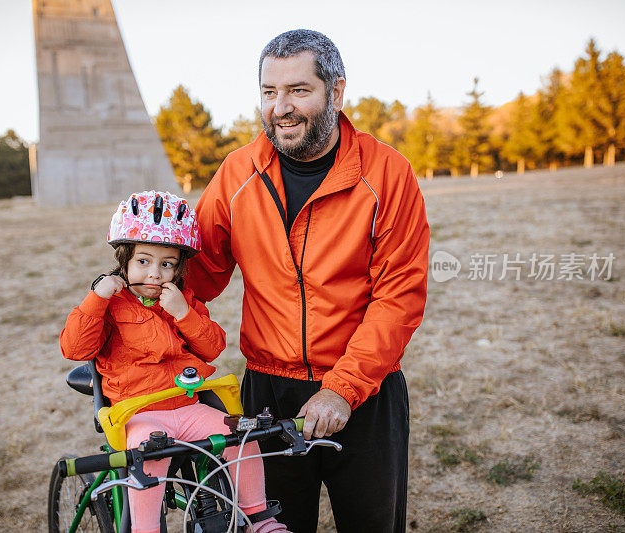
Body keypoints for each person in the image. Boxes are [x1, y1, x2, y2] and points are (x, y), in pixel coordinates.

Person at [186, 30, 430, 533]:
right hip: (267, 395)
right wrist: (139, 281)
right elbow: (196, 279)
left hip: (365, 393)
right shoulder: (236, 174)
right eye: (269, 92)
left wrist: (343, 389)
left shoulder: (386, 173)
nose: (281, 108)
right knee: (272, 527)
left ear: (336, 93)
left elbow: (398, 297)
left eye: (298, 90)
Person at [60, 191, 288, 533]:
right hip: (139, 411)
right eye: (143, 261)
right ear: (123, 261)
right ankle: (146, 529)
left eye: (167, 264)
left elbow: (211, 348)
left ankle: (260, 520)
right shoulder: (110, 304)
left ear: (179, 267)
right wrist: (97, 298)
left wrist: (183, 313)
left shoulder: (183, 300)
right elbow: (75, 347)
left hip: (187, 405)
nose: (155, 274)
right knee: (149, 454)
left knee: (241, 435)